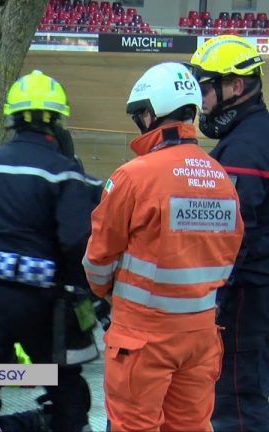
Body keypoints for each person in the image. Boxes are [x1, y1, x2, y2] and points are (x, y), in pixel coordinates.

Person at [82, 62, 244, 431]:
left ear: (154, 112)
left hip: (142, 336)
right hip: (201, 335)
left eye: (141, 114)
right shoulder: (220, 176)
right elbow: (229, 254)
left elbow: (98, 259)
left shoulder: (133, 177)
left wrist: (109, 294)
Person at [0, 70, 96, 431]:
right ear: (56, 124)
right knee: (66, 391)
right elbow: (77, 241)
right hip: (42, 304)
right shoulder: (65, 173)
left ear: (11, 119)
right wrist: (83, 294)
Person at [187, 34, 269, 431]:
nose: (202, 101)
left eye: (206, 88)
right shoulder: (256, 135)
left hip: (246, 301)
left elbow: (234, 237)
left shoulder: (243, 150)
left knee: (237, 399)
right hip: (259, 294)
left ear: (235, 86)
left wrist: (209, 296)